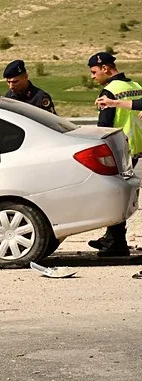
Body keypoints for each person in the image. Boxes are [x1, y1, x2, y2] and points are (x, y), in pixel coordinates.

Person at [87, 52, 142, 257]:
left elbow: (104, 127)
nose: (93, 76)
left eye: (94, 72)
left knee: (115, 194)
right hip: (135, 146)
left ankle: (116, 241)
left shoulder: (109, 91)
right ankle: (112, 237)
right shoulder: (135, 86)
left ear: (105, 69)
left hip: (119, 148)